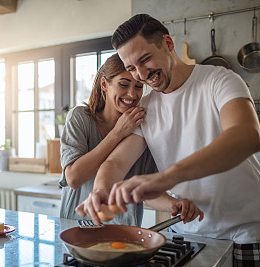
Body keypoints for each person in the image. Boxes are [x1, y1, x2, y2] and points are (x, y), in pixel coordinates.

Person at [76, 14, 260, 266]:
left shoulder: (220, 80)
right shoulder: (146, 108)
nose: (140, 75)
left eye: (145, 59)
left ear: (168, 44)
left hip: (244, 233)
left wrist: (167, 178)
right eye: (131, 68)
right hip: (185, 233)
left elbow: (247, 135)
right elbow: (115, 164)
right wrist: (100, 191)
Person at [60, 53, 203, 226]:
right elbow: (73, 178)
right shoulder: (80, 117)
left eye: (138, 86)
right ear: (104, 84)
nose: (132, 94)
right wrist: (117, 133)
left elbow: (147, 192)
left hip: (123, 232)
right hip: (77, 224)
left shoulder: (143, 124)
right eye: (124, 85)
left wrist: (175, 204)